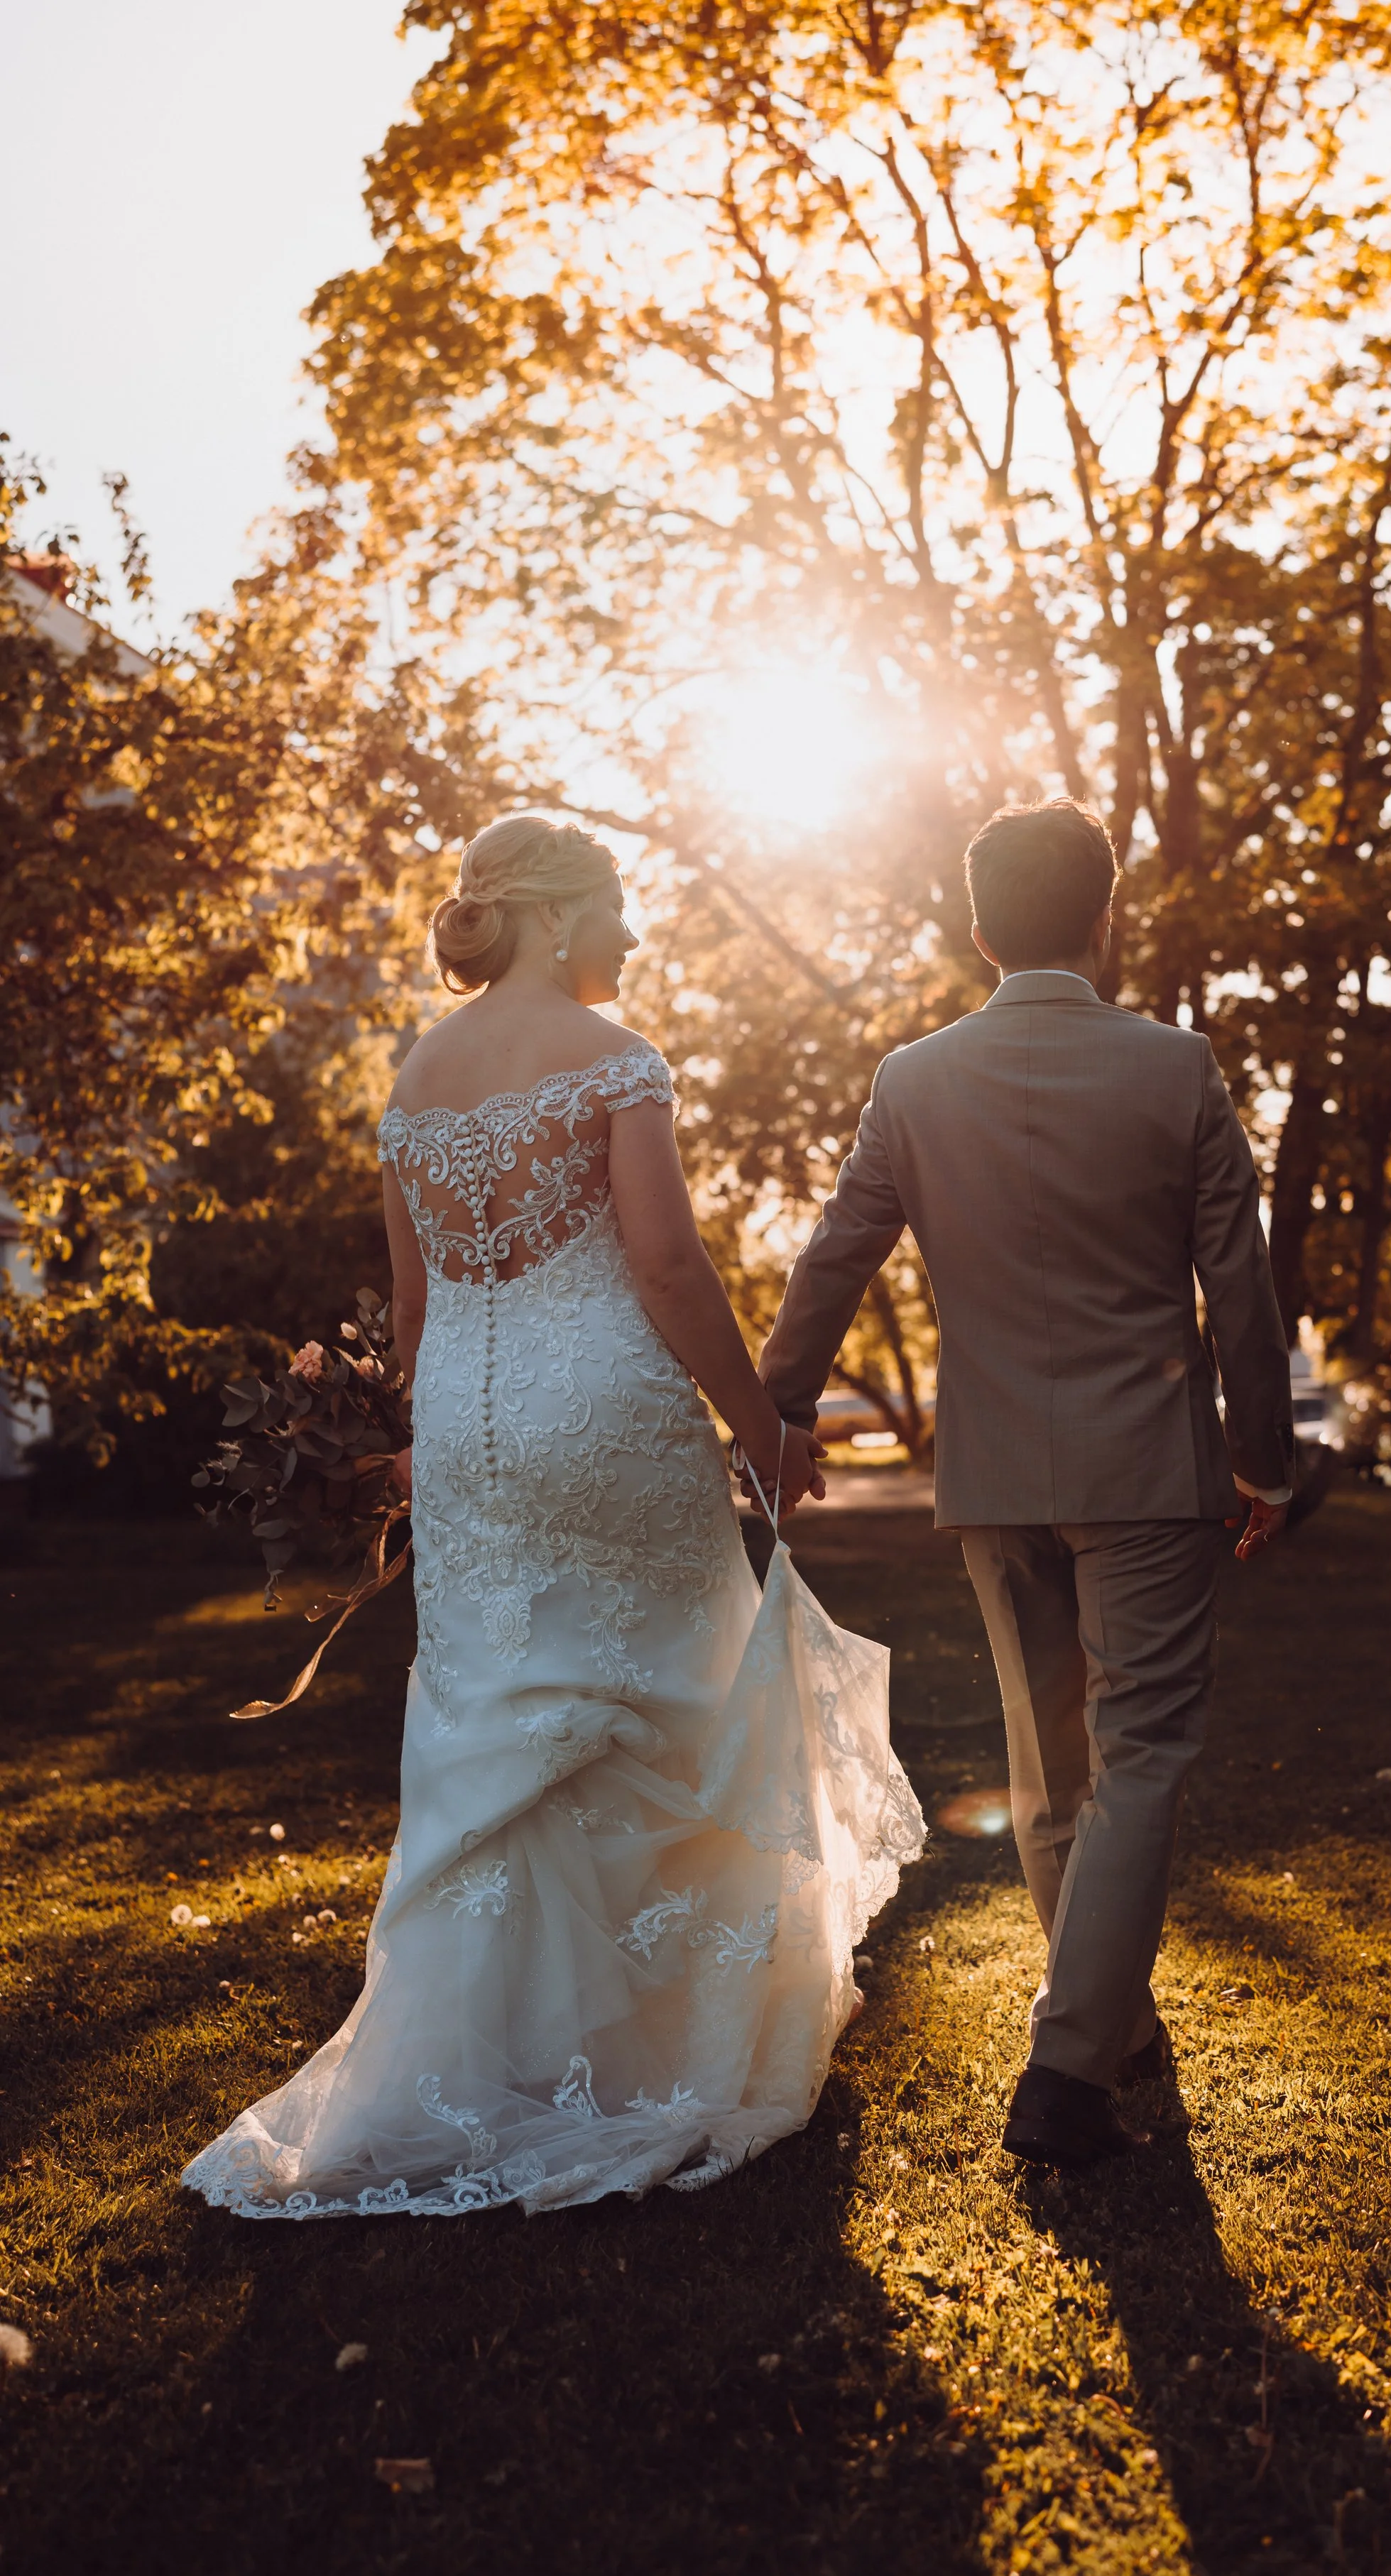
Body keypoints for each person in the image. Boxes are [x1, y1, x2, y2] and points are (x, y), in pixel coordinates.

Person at [183, 813, 920, 2218]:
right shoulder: (611, 1058)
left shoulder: (416, 1076)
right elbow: (662, 1259)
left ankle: (485, 2065)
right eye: (621, 912)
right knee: (674, 1700)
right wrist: (759, 1421)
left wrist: (425, 1446)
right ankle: (666, 2044)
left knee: (492, 1725)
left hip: (465, 1420)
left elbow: (413, 1314)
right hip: (608, 1410)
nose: (633, 939)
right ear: (563, 914)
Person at [759, 797, 1294, 2169]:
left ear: (981, 927)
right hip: (1147, 1475)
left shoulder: (915, 1078)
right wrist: (1266, 1460)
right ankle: (1066, 2073)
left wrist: (780, 1408)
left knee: (1052, 1771)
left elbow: (836, 1254)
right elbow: (1238, 1281)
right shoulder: (1178, 1068)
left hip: (995, 1472)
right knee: (1145, 1756)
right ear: (1106, 917)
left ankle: (1108, 2035)